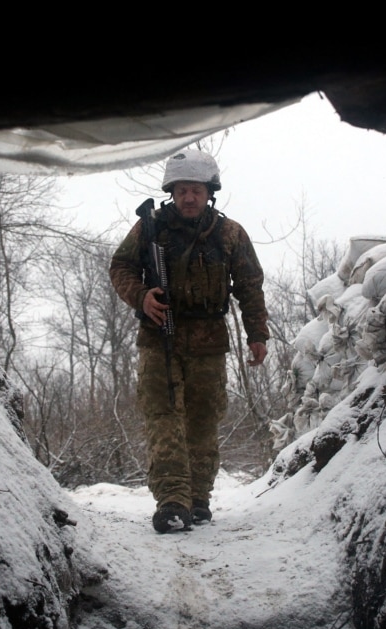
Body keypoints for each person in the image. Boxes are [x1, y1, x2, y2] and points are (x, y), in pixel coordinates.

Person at [109, 148, 269, 533]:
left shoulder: (229, 234)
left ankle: (198, 499)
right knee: (163, 419)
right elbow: (121, 266)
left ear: (209, 191)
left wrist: (257, 334)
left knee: (202, 421)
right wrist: (141, 296)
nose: (189, 198)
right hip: (158, 337)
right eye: (182, 190)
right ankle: (172, 501)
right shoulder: (151, 228)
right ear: (172, 192)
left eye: (195, 190)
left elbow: (250, 285)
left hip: (209, 340)